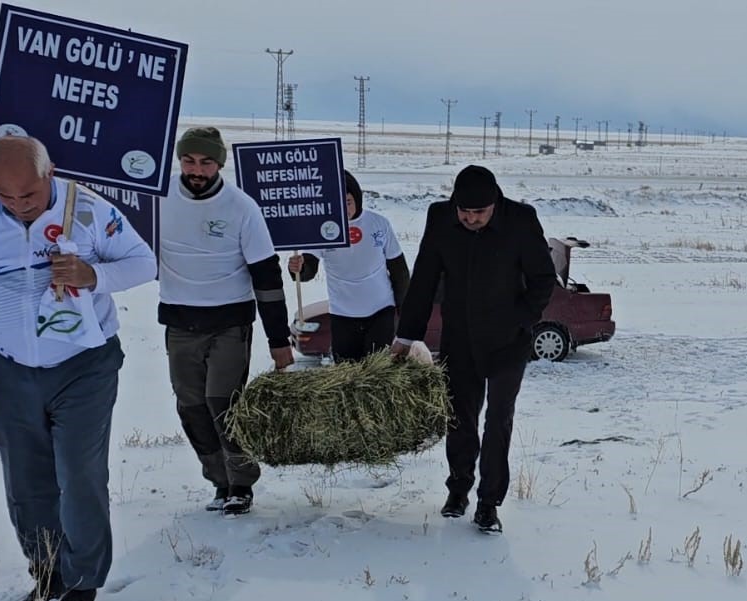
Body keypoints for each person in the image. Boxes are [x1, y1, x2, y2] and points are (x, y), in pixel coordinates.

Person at [0, 134, 156, 601]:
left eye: (27, 196)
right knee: (26, 478)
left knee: (78, 474)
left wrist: (92, 275)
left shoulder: (91, 211)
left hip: (84, 366)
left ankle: (83, 581)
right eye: (5, 196)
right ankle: (47, 568)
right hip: (12, 367)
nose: (16, 206)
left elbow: (145, 263)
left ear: (49, 172)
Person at [390, 165, 555, 534]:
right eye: (464, 212)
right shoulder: (441, 217)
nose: (470, 219)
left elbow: (544, 278)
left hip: (507, 342)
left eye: (479, 213)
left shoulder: (521, 220)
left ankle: (488, 502)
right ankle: (458, 489)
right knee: (459, 417)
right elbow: (425, 278)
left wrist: (522, 319)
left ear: (494, 204)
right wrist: (405, 337)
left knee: (498, 420)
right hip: (460, 338)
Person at [157, 126, 293, 515]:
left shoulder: (241, 208)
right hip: (180, 321)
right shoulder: (159, 196)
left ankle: (242, 482)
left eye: (205, 161)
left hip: (230, 323)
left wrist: (278, 340)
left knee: (223, 403)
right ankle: (218, 479)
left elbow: (267, 277)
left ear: (219, 164)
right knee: (191, 405)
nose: (196, 169)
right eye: (188, 160)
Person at [287, 171, 408, 361]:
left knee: (377, 370)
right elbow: (308, 268)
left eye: (348, 202)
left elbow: (399, 270)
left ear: (357, 200)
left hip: (380, 311)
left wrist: (404, 308)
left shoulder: (378, 224)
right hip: (343, 314)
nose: (344, 209)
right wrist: (299, 268)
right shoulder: (322, 228)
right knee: (347, 370)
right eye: (337, 203)